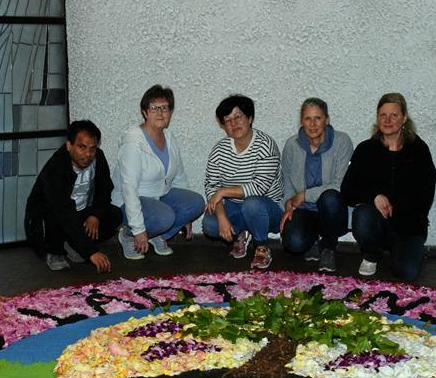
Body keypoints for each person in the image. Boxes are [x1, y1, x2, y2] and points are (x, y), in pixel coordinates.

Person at [341, 93, 436, 281]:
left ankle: (404, 251)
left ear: (404, 118)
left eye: (394, 115)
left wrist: (397, 207)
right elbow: (347, 191)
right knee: (362, 214)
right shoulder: (365, 150)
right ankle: (371, 254)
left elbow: (426, 195)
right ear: (377, 118)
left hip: (408, 225)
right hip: (377, 221)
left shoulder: (419, 150)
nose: (388, 120)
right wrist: (374, 197)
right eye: (383, 115)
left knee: (407, 272)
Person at [112, 85, 204, 260]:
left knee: (196, 202)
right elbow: (129, 189)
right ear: (145, 112)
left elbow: (179, 176)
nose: (160, 112)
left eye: (165, 107)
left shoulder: (169, 138)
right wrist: (139, 229)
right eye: (154, 107)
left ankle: (158, 236)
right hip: (130, 202)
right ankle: (129, 235)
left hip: (159, 196)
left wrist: (187, 218)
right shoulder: (133, 142)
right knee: (165, 217)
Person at [24, 120, 119, 273]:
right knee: (53, 212)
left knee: (114, 215)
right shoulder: (56, 167)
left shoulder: (98, 158)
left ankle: (72, 243)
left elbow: (104, 190)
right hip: (49, 218)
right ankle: (55, 251)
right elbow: (63, 211)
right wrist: (91, 252)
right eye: (82, 147)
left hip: (79, 211)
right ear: (69, 146)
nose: (88, 154)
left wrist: (95, 215)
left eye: (92, 149)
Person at [202, 94, 283, 270]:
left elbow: (258, 187)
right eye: (227, 120)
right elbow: (212, 186)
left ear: (250, 118)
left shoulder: (266, 146)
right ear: (223, 126)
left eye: (238, 117)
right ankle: (243, 232)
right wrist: (222, 216)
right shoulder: (219, 150)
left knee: (252, 204)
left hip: (267, 208)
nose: (234, 123)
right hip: (236, 205)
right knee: (210, 223)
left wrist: (222, 192)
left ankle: (261, 246)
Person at [278, 98, 354, 273]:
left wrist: (304, 195)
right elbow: (287, 177)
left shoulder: (342, 142)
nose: (312, 124)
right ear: (301, 121)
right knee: (294, 242)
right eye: (307, 119)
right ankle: (312, 240)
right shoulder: (292, 144)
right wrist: (289, 204)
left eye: (318, 118)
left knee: (330, 197)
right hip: (304, 209)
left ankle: (328, 247)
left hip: (333, 211)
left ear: (327, 120)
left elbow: (340, 184)